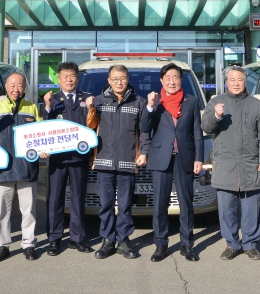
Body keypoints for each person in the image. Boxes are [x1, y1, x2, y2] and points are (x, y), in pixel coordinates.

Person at [202, 66, 260, 261]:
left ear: (245, 81)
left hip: (250, 163)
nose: (236, 83)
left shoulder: (256, 104)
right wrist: (216, 116)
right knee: (227, 210)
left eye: (240, 79)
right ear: (226, 82)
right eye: (232, 79)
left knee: (251, 209)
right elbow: (206, 127)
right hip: (225, 164)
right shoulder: (216, 102)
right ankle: (231, 244)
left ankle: (250, 244)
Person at [86, 64, 150, 260]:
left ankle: (123, 241)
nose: (119, 82)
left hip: (128, 162)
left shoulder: (138, 102)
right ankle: (107, 240)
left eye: (122, 78)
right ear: (109, 81)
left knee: (125, 205)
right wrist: (90, 109)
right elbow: (89, 127)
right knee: (105, 205)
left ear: (128, 79)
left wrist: (144, 152)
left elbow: (144, 131)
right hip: (104, 162)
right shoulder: (98, 101)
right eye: (115, 79)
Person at [143, 63, 203, 262]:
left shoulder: (191, 101)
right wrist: (149, 107)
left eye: (175, 77)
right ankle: (161, 244)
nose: (171, 81)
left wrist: (199, 158)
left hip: (185, 157)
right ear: (161, 81)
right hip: (161, 157)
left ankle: (187, 244)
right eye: (167, 78)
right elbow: (145, 127)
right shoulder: (155, 102)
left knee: (186, 203)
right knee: (160, 204)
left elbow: (197, 132)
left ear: (181, 79)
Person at [0, 72, 42, 262]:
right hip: (3, 167)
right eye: (12, 85)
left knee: (29, 210)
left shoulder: (31, 107)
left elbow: (40, 134)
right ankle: (2, 245)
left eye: (19, 85)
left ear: (25, 87)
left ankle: (28, 244)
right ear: (6, 87)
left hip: (27, 167)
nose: (15, 89)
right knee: (2, 211)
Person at [42, 62, 94, 256]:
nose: (69, 79)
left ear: (77, 78)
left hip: (79, 158)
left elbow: (94, 126)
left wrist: (92, 109)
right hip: (57, 159)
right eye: (65, 76)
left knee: (78, 199)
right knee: (55, 200)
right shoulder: (52, 99)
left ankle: (77, 238)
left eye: (72, 76)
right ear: (59, 79)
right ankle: (54, 239)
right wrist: (48, 107)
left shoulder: (87, 98)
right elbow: (43, 127)